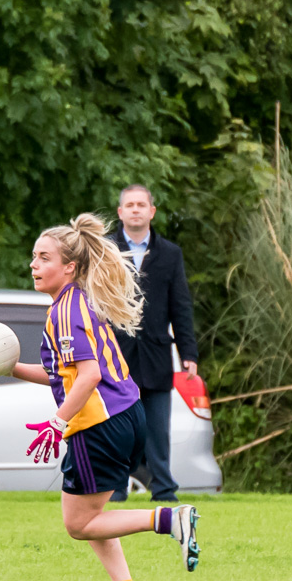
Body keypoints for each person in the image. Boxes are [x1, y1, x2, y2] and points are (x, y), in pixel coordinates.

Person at [0, 213, 200, 581]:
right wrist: (10, 368)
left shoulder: (65, 311)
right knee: (91, 513)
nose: (34, 265)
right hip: (123, 416)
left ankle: (169, 519)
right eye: (33, 257)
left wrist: (58, 422)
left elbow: (89, 375)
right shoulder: (76, 303)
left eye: (43, 258)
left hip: (99, 423)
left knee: (79, 523)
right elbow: (63, 375)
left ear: (70, 267)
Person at [108, 185, 200, 503]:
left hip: (157, 354)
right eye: (129, 205)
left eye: (141, 204)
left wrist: (188, 353)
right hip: (115, 356)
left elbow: (181, 307)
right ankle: (116, 488)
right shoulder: (104, 250)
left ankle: (163, 488)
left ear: (151, 211)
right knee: (118, 427)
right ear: (120, 212)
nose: (135, 209)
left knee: (158, 430)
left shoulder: (170, 253)